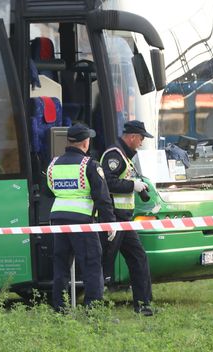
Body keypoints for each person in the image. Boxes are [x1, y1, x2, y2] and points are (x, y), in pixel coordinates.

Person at [46, 123, 116, 310]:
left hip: (58, 220)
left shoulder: (53, 164)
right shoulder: (90, 165)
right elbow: (102, 197)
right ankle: (93, 310)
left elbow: (50, 190)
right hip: (82, 221)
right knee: (92, 265)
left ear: (69, 141)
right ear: (86, 142)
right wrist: (110, 223)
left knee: (61, 266)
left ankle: (60, 309)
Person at [99, 120, 154, 316]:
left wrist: (135, 184)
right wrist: (133, 186)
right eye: (140, 139)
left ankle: (144, 305)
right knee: (103, 263)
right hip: (113, 218)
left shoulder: (124, 155)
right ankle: (95, 308)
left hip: (124, 220)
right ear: (131, 137)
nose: (141, 143)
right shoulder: (114, 155)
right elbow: (107, 182)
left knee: (139, 258)